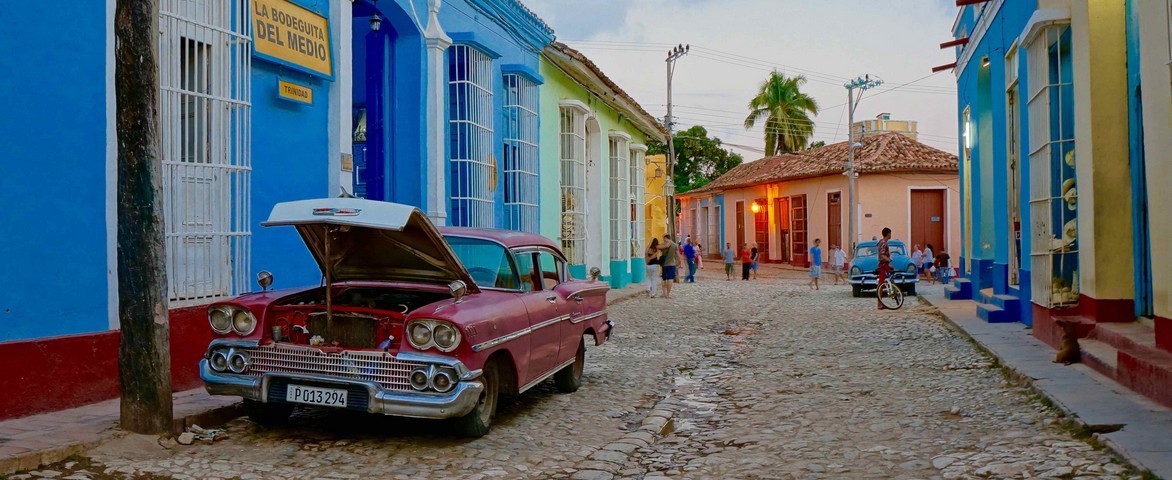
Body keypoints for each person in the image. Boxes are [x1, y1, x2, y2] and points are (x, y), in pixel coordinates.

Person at [657, 234, 678, 298]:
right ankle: (668, 294)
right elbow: (677, 254)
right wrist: (679, 261)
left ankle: (664, 293)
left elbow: (657, 248)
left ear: (665, 238)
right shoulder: (675, 245)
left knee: (664, 279)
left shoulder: (663, 245)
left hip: (664, 264)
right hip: (672, 264)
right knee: (670, 279)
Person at [877, 227, 893, 310]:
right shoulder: (883, 243)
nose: (891, 235)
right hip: (883, 264)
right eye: (890, 233)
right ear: (888, 234)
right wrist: (888, 259)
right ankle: (879, 303)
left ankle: (894, 292)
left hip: (885, 264)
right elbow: (882, 254)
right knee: (881, 284)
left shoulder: (883, 242)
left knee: (890, 277)